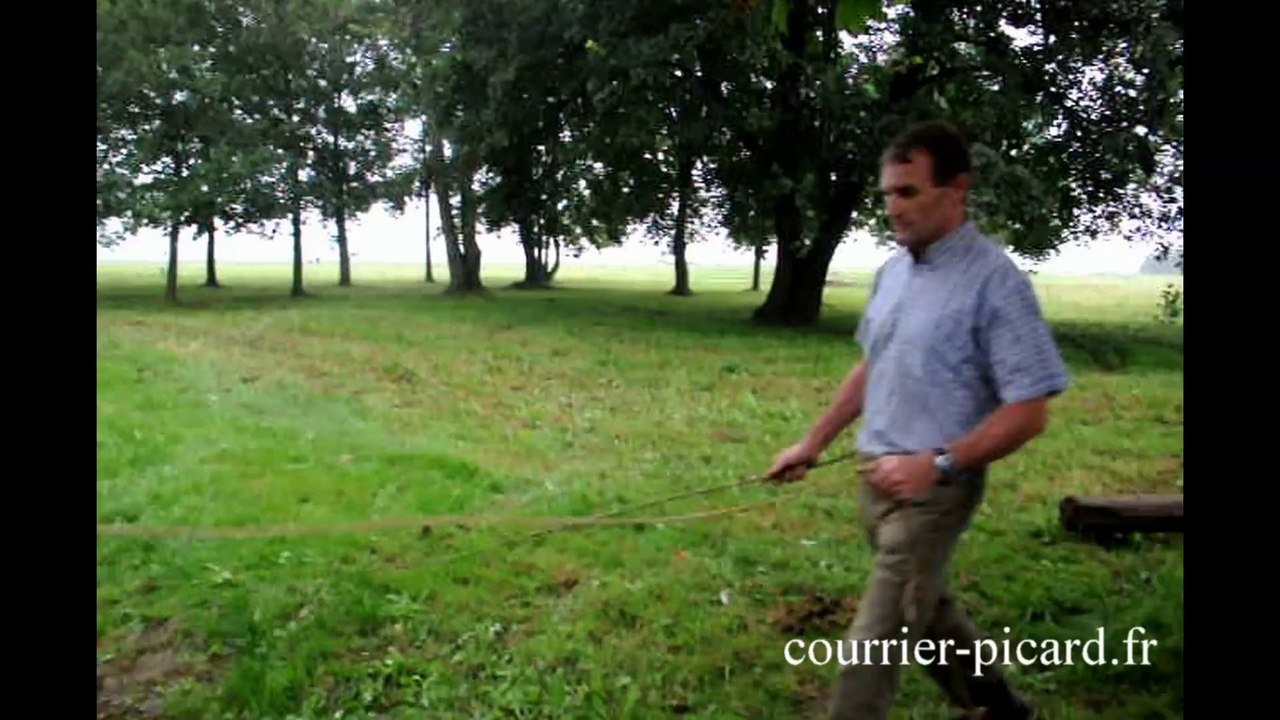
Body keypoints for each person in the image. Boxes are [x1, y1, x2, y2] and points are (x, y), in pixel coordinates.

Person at [766, 120, 1070, 720]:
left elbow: (1030, 412)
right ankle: (1000, 708)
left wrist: (939, 464)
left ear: (957, 190)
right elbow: (873, 366)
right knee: (926, 609)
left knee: (871, 647)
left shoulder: (995, 283)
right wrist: (812, 442)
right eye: (886, 194)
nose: (892, 208)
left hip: (933, 493)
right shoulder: (893, 272)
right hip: (875, 480)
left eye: (908, 192)